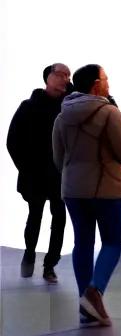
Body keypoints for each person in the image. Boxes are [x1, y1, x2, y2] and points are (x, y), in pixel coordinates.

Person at [52, 64, 121, 327]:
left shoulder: (62, 116)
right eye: (105, 78)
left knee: (83, 243)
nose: (108, 83)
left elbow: (58, 158)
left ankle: (85, 304)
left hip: (73, 191)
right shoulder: (109, 113)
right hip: (107, 188)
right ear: (95, 84)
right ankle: (94, 292)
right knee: (111, 243)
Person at [7, 64, 71, 283]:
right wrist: (26, 168)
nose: (65, 79)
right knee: (35, 217)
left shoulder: (69, 107)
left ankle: (50, 265)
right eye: (60, 74)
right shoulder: (28, 106)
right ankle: (29, 253)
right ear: (47, 77)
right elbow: (12, 141)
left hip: (61, 176)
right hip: (34, 175)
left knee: (59, 219)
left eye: (68, 75)